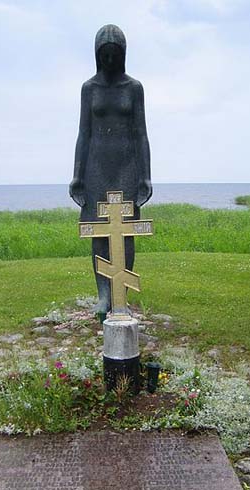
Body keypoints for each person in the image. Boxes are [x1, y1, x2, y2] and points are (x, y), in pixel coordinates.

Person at [69, 24, 152, 313]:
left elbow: (141, 134)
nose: (109, 60)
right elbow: (84, 133)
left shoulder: (134, 88)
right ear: (96, 55)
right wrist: (77, 176)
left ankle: (121, 295)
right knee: (99, 232)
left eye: (114, 54)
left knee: (125, 231)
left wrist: (145, 176)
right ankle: (103, 294)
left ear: (123, 54)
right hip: (96, 168)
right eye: (104, 55)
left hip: (127, 166)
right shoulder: (89, 88)